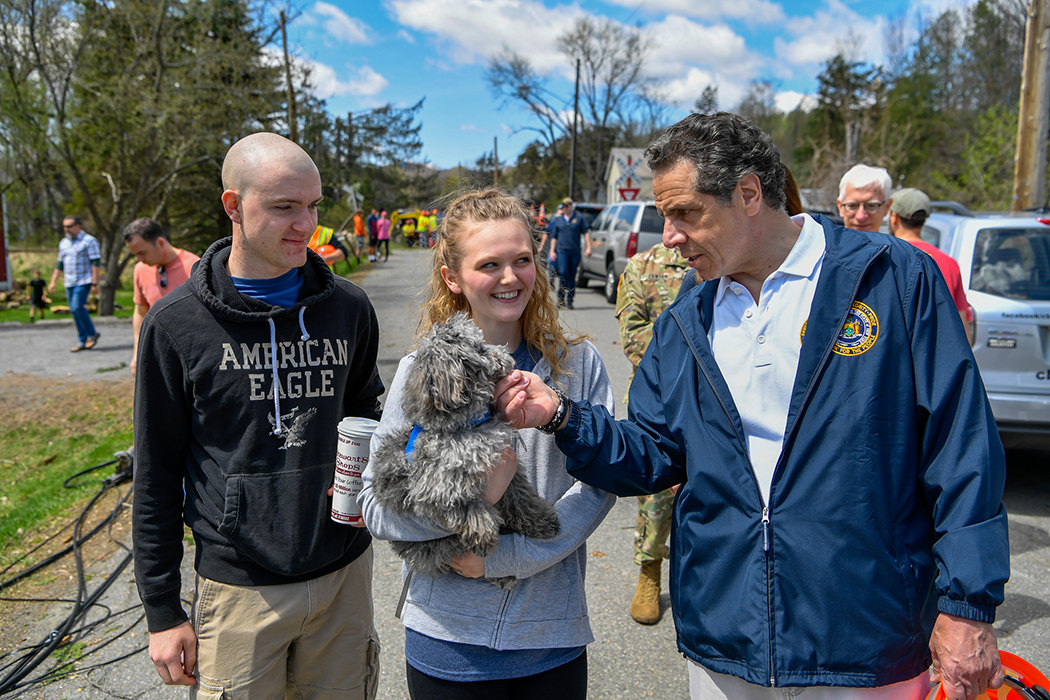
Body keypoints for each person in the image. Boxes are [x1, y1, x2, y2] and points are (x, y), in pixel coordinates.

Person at [494, 113, 1009, 700]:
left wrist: (967, 605)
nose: (669, 236)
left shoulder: (892, 279)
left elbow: (959, 443)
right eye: (665, 216)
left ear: (747, 193)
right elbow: (656, 454)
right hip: (727, 643)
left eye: (685, 212)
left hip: (863, 645)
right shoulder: (686, 321)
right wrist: (563, 415)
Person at [132, 132, 384, 698]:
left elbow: (366, 408)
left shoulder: (348, 308)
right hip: (240, 588)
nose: (306, 225)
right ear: (233, 207)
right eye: (284, 207)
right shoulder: (175, 325)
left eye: (314, 206)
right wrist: (162, 611)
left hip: (343, 576)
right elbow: (155, 473)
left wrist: (373, 479)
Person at [358, 188, 616, 700]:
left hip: (548, 636)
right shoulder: (420, 372)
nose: (508, 277)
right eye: (488, 264)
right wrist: (476, 503)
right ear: (452, 278)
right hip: (446, 639)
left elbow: (597, 485)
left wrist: (502, 558)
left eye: (522, 260)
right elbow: (374, 505)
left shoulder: (579, 366)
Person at [614, 243, 690, 625]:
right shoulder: (642, 266)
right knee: (657, 493)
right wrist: (695, 355)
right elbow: (632, 336)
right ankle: (649, 570)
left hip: (724, 402)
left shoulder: (727, 257)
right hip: (660, 398)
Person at [888, 188, 973, 344]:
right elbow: (961, 326)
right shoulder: (949, 263)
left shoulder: (888, 257)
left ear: (894, 217)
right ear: (924, 220)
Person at [122, 218, 200, 376]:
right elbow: (140, 311)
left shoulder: (194, 267)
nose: (139, 259)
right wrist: (138, 351)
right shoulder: (140, 270)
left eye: (142, 253)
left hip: (190, 351)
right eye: (135, 255)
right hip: (156, 349)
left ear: (160, 242)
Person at [49, 216, 100, 352]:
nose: (66, 229)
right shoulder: (64, 243)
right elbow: (59, 264)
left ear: (78, 226)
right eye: (65, 226)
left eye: (69, 226)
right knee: (73, 310)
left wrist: (95, 282)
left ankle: (92, 334)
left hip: (84, 280)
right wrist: (53, 282)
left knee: (77, 307)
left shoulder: (89, 241)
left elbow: (95, 262)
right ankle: (82, 340)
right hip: (69, 281)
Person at [547, 198, 592, 308]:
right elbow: (554, 237)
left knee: (572, 276)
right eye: (564, 206)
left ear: (572, 206)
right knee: (563, 273)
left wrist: (589, 247)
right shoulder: (559, 220)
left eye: (568, 206)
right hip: (562, 251)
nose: (566, 208)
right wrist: (552, 251)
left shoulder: (579, 218)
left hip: (575, 251)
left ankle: (570, 299)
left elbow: (586, 233)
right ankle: (560, 298)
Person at [836, 164, 893, 232]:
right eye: (852, 206)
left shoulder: (896, 242)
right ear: (840, 207)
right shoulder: (825, 242)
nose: (861, 216)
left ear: (887, 207)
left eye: (871, 206)